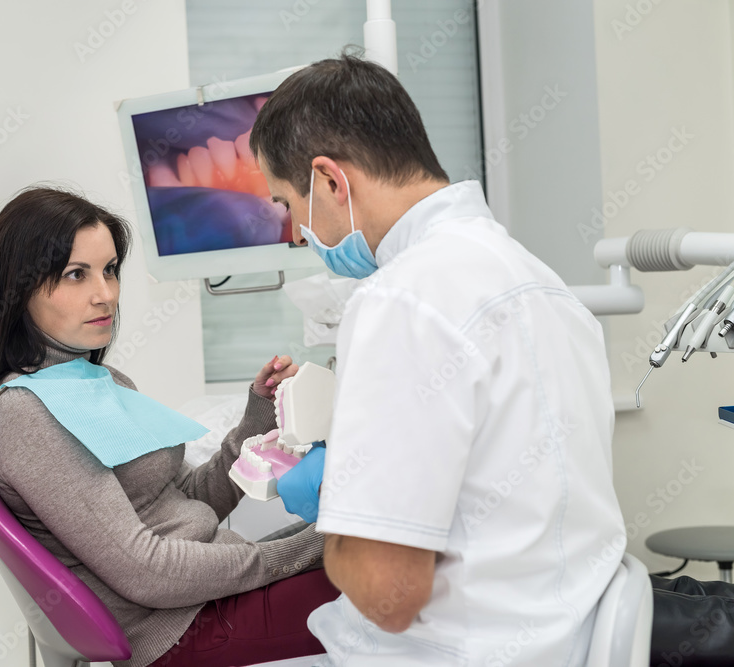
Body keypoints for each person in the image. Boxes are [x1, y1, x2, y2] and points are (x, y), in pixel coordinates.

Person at [251, 51, 734, 666]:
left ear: (329, 180)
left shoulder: (400, 300)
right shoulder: (545, 286)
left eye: (287, 204)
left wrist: (342, 508)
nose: (295, 232)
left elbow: (388, 594)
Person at [0, 187, 340, 667]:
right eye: (75, 275)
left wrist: (256, 415)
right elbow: (146, 571)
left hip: (209, 594)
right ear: (18, 288)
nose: (104, 294)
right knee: (399, 575)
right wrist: (306, 547)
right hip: (181, 631)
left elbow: (186, 499)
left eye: (109, 270)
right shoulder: (27, 413)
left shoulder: (96, 379)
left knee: (384, 548)